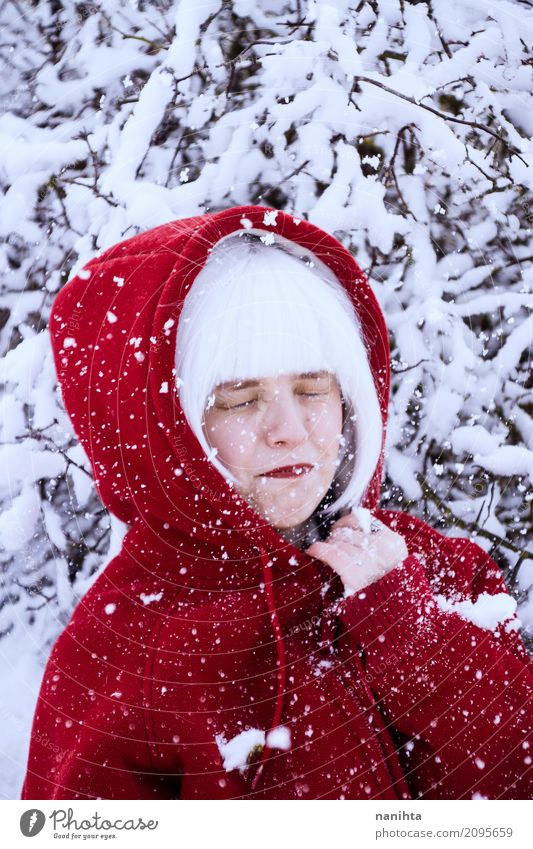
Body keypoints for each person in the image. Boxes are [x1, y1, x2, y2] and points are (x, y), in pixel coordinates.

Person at [21, 205, 533, 800]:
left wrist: (408, 628)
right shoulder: (129, 650)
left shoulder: (438, 570)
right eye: (240, 399)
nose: (289, 429)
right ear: (166, 430)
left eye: (313, 388)